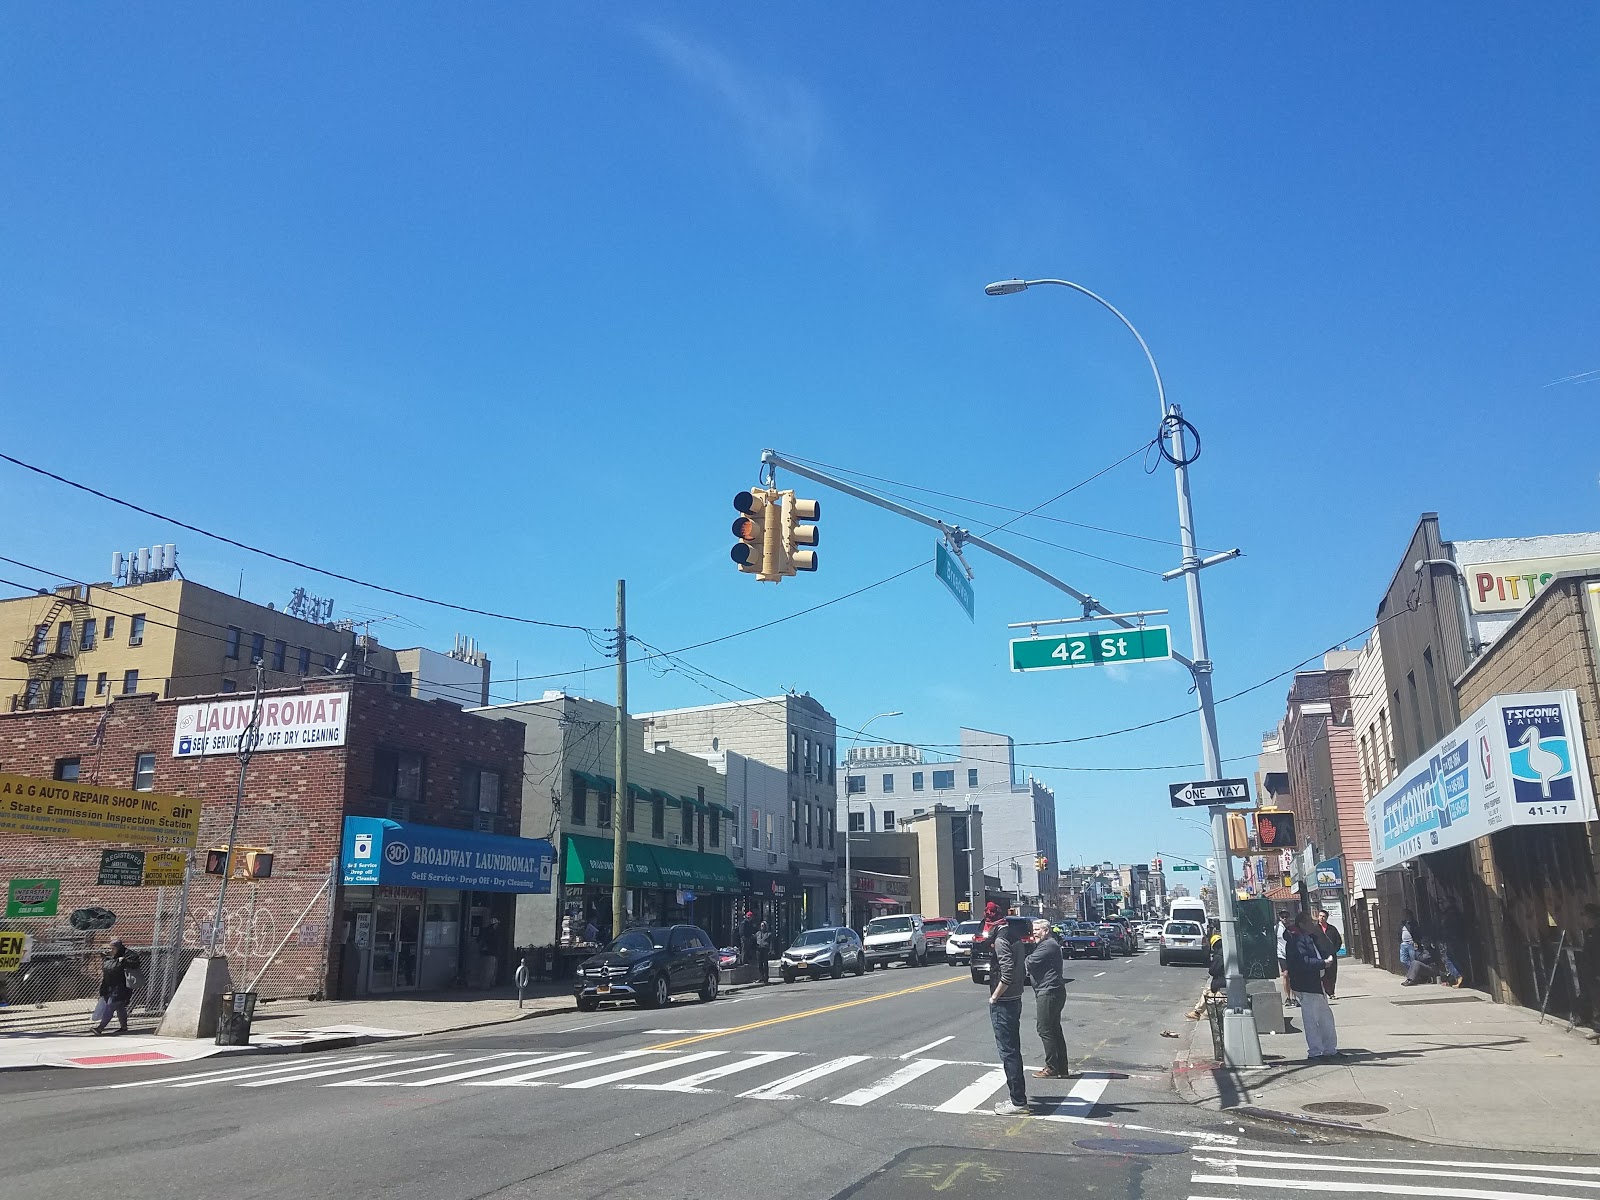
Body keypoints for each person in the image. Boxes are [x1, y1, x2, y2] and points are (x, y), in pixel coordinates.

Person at [988, 915, 1029, 1115]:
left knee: (1008, 1052)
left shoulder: (1001, 940)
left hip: (1004, 1002)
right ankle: (1017, 1098)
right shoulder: (1015, 938)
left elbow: (1007, 973)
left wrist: (994, 997)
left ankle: (1018, 1101)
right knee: (1013, 1049)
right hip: (1015, 998)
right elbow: (1021, 969)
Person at [1285, 910, 1339, 1060]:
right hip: (1306, 984)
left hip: (1318, 982)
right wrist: (1323, 963)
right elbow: (1303, 962)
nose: (1313, 924)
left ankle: (1329, 1049)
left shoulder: (1309, 938)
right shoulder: (1296, 941)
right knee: (1311, 1019)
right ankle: (1315, 1051)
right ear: (1302, 924)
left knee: (1325, 1018)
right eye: (1309, 922)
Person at [1026, 918, 1069, 1079]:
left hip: (1049, 992)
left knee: (1044, 1029)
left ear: (1046, 930)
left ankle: (1052, 1067)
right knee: (1054, 1029)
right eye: (1033, 930)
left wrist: (1026, 958)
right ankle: (1062, 1068)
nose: (1034, 933)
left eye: (1037, 930)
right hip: (1052, 991)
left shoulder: (1048, 945)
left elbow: (1030, 962)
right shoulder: (1046, 944)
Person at [92, 939, 140, 1036]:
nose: (111, 950)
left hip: (121, 986)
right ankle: (124, 1027)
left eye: (113, 949)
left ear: (118, 947)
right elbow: (106, 971)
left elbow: (135, 964)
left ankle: (100, 1028)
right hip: (109, 985)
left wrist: (124, 961)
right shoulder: (109, 957)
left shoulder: (128, 954)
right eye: (110, 948)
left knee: (110, 1006)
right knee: (120, 1007)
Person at [1186, 922, 1226, 1020]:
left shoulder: (1219, 956)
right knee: (1207, 991)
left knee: (1208, 992)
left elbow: (1213, 971)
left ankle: (1197, 1012)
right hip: (1225, 983)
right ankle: (1197, 1012)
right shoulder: (1226, 952)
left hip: (1222, 985)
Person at [1316, 910, 1344, 998]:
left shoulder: (1332, 929)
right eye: (1320, 916)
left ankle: (1331, 992)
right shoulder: (1314, 929)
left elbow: (1338, 941)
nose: (1321, 918)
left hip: (1331, 955)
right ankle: (1323, 991)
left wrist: (1334, 950)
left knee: (1332, 974)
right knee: (1322, 974)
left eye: (1323, 916)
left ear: (1327, 918)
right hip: (1320, 955)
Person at [1276, 910, 1299, 1009]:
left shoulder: (1293, 928)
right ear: (1280, 918)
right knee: (1285, 975)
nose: (1284, 918)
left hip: (1293, 955)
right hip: (1282, 955)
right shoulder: (1276, 928)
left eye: (1286, 916)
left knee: (1293, 976)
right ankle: (1287, 997)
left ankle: (1294, 998)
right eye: (1282, 917)